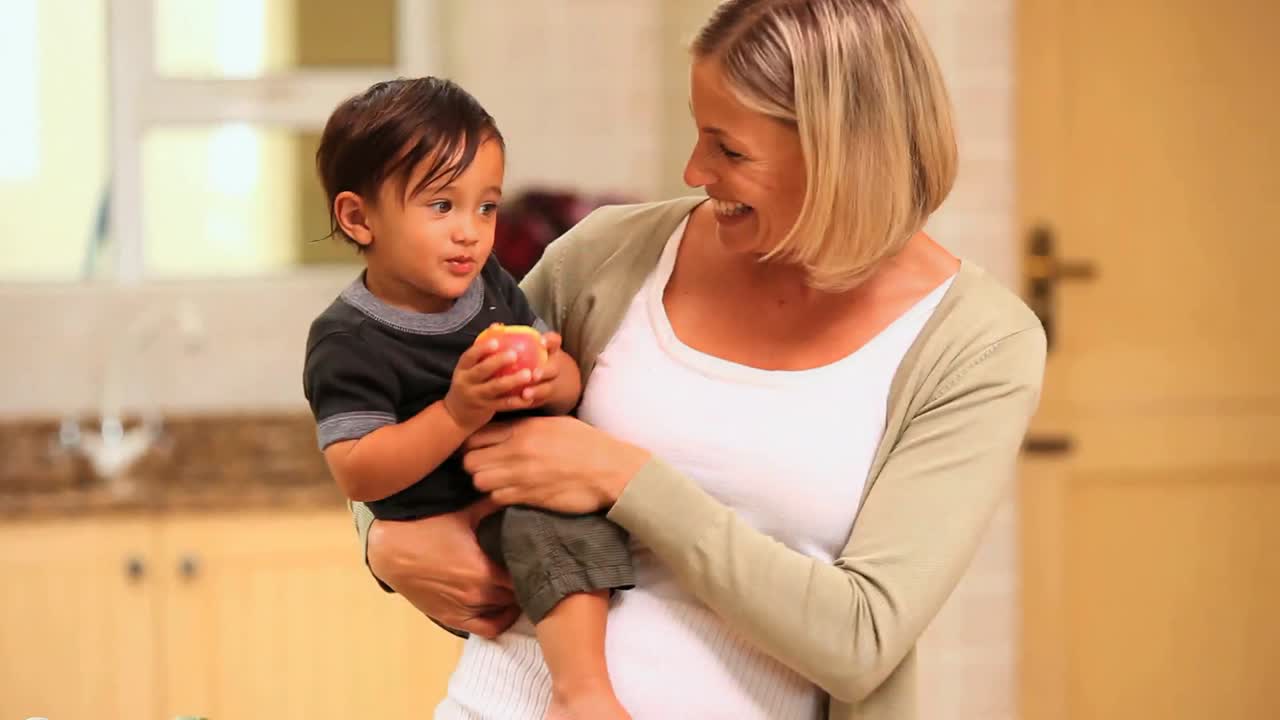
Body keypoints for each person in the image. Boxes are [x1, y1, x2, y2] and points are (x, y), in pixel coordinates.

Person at [352, 1, 1047, 718]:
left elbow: (862, 638)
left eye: (730, 149)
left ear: (842, 154)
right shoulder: (608, 256)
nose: (694, 170)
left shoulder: (978, 344)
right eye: (698, 133)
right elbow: (404, 405)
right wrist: (381, 542)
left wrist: (621, 476)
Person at [302, 77, 635, 720]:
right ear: (357, 217)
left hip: (515, 499)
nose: (471, 233)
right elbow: (359, 469)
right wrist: (458, 412)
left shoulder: (489, 287)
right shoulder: (347, 339)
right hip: (453, 530)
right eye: (441, 206)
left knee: (561, 521)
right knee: (548, 526)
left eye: (486, 207)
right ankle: (582, 694)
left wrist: (549, 374)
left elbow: (563, 381)